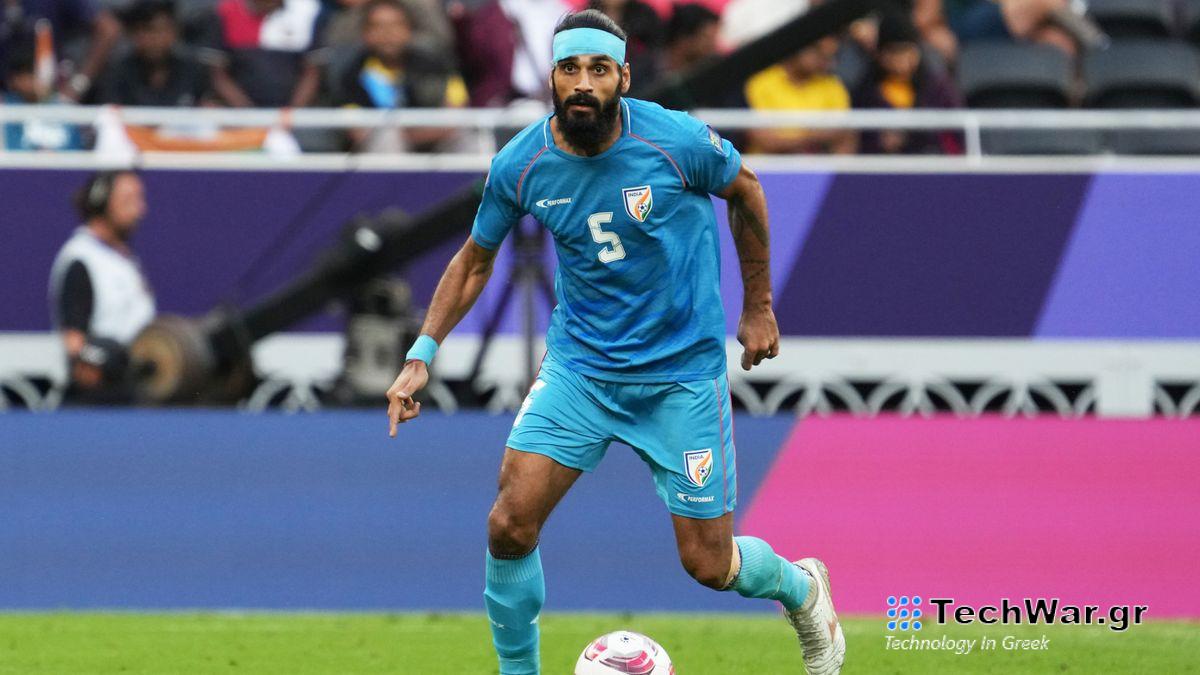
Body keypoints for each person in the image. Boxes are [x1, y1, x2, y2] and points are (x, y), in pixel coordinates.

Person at [384, 10, 845, 675]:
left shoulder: (673, 140)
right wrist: (421, 355)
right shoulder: (523, 162)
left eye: (598, 70)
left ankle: (802, 588)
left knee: (708, 563)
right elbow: (475, 259)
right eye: (569, 69)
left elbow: (745, 190)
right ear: (551, 77)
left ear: (622, 77)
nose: (582, 83)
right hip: (583, 371)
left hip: (680, 376)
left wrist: (760, 306)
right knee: (509, 522)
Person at [48, 171, 156, 404]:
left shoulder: (122, 259)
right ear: (101, 202)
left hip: (137, 388)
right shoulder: (82, 260)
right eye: (129, 201)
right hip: (102, 398)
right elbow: (75, 343)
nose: (140, 210)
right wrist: (109, 359)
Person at [332, 0, 468, 152]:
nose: (388, 34)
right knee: (388, 139)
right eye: (378, 26)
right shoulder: (351, 75)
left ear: (409, 30)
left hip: (434, 143)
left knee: (467, 138)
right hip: (381, 151)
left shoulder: (437, 66)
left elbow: (456, 115)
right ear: (365, 34)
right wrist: (400, 134)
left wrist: (410, 135)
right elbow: (357, 132)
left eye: (396, 25)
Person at [852, 12, 961, 155]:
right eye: (894, 53)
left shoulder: (938, 87)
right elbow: (858, 139)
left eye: (908, 51)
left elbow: (956, 135)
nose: (901, 62)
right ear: (879, 54)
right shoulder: (866, 92)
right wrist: (879, 142)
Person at [744, 35, 857, 154]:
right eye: (818, 50)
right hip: (767, 169)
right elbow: (765, 140)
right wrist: (814, 137)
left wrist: (791, 139)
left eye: (829, 55)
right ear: (798, 47)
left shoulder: (833, 86)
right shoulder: (761, 82)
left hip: (818, 168)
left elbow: (844, 135)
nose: (827, 61)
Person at [99, 0, 212, 107]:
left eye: (160, 30)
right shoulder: (117, 73)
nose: (154, 38)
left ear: (175, 31)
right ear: (133, 34)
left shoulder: (194, 71)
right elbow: (110, 116)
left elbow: (209, 112)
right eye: (146, 30)